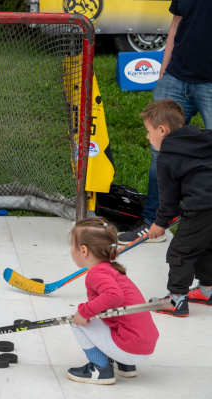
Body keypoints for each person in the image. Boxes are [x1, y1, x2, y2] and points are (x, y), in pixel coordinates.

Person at [118, 0, 212, 244]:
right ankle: (153, 222)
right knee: (160, 153)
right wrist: (163, 71)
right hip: (175, 77)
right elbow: (175, 25)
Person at [67, 218, 159, 385]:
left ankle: (100, 369)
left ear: (83, 250)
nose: (71, 250)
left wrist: (84, 312)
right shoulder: (112, 269)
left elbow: (114, 295)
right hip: (144, 345)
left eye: (72, 246)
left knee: (77, 317)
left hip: (129, 347)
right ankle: (124, 365)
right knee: (102, 312)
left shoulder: (97, 273)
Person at [142, 99, 212, 317]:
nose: (147, 136)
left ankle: (177, 299)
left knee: (180, 251)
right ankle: (207, 291)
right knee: (206, 246)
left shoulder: (167, 157)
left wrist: (160, 223)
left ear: (162, 130)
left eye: (149, 131)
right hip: (207, 204)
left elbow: (169, 200)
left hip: (201, 207)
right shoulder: (202, 138)